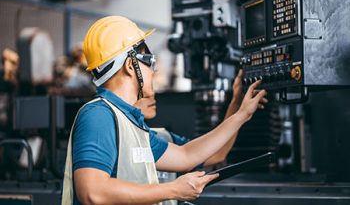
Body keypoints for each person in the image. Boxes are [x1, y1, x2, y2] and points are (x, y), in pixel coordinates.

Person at [62, 16, 267, 205]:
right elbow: (93, 192)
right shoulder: (99, 115)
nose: (154, 69)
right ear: (130, 66)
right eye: (149, 61)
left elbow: (186, 155)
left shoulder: (132, 125)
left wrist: (242, 115)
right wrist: (173, 190)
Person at [134, 69, 246, 167]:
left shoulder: (164, 138)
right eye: (141, 87)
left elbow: (216, 154)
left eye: (151, 86)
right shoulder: (124, 137)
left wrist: (237, 103)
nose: (151, 94)